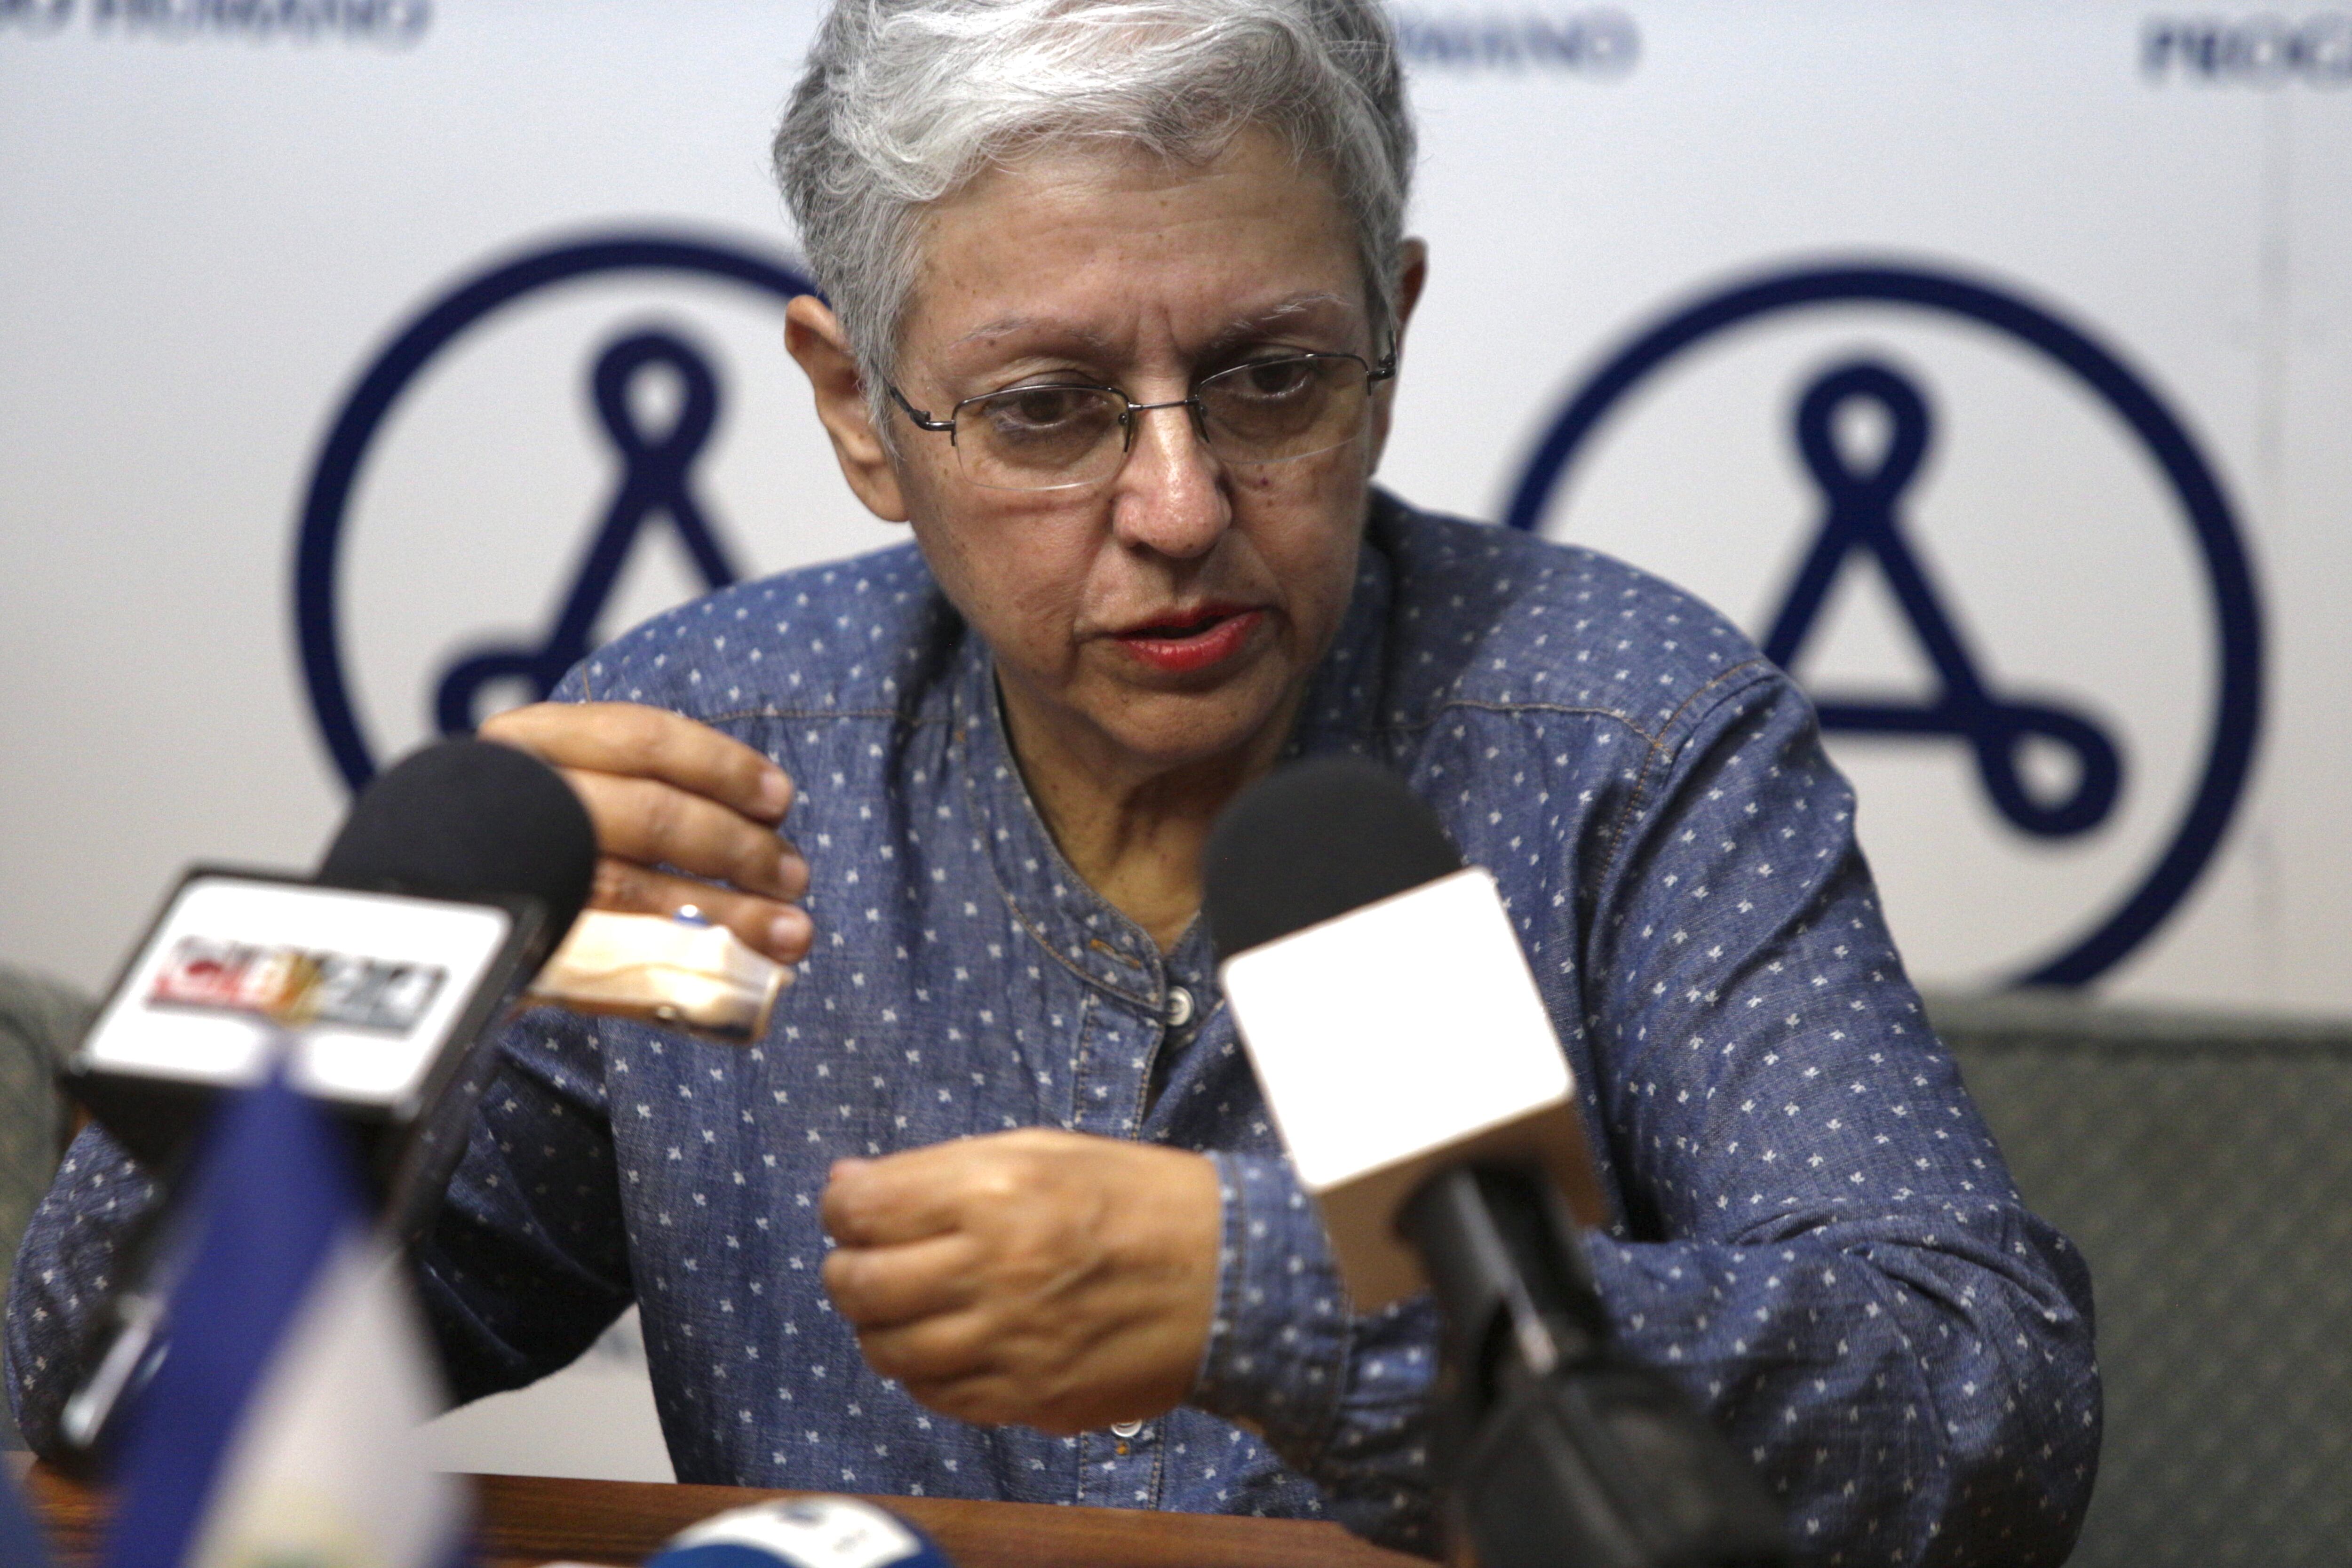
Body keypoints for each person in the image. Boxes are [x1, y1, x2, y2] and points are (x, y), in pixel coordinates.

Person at [8, 0, 2098, 1559]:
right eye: (1045, 409)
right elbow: (97, 1405)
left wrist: (1261, 1295)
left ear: (1390, 335)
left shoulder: (1619, 734)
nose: (1179, 506)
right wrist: (371, 990)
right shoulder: (716, 767)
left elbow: (1985, 1410)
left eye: (1270, 378)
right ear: (858, 410)